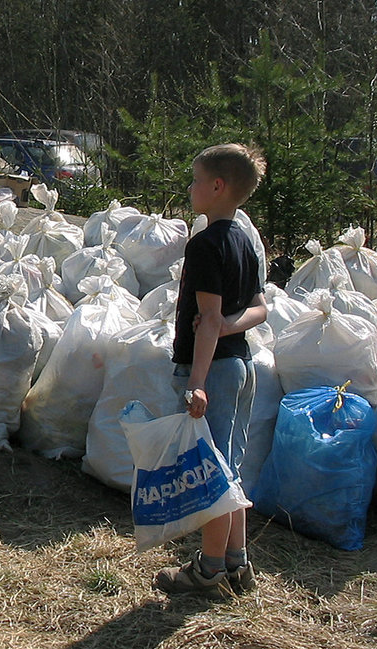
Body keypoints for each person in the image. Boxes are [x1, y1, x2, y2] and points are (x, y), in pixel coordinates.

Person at [153, 143, 268, 597]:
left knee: (212, 477)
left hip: (213, 372)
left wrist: (196, 383)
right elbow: (260, 310)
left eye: (196, 180)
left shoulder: (205, 244)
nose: (190, 187)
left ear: (218, 187)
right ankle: (238, 565)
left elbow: (207, 322)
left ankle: (209, 570)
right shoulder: (245, 241)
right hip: (241, 366)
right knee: (231, 470)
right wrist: (225, 327)